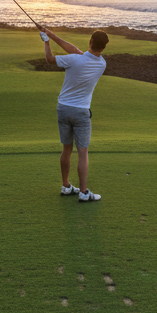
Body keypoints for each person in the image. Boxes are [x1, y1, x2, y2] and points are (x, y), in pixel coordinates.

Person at [40, 26, 109, 201]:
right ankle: (84, 192)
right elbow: (78, 53)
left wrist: (47, 41)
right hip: (81, 112)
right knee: (83, 153)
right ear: (104, 47)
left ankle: (66, 186)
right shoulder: (102, 64)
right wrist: (51, 34)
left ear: (90, 42)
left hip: (63, 108)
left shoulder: (73, 60)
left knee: (66, 149)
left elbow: (49, 59)